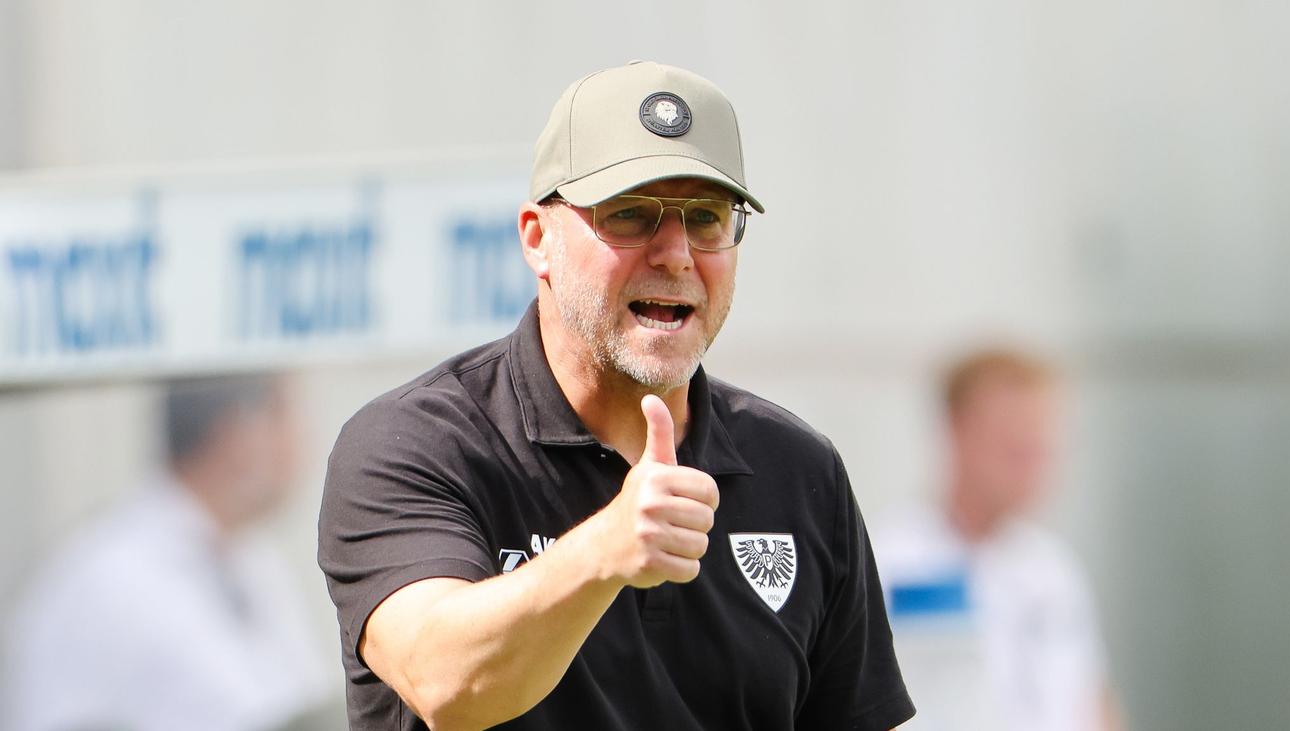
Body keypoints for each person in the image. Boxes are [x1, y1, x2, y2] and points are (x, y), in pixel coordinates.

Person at [318, 61, 915, 731]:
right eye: (630, 214)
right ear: (538, 239)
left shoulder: (798, 468)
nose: (676, 254)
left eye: (707, 218)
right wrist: (606, 550)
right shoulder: (417, 441)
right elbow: (448, 682)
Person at [3, 374, 336, 731]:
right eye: (283, 413)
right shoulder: (105, 582)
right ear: (235, 432)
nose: (302, 438)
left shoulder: (250, 560)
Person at [871, 349, 1124, 731]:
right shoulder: (889, 560)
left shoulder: (1052, 567)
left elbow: (1092, 699)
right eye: (1013, 443)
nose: (1033, 462)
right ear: (957, 430)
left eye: (1039, 444)